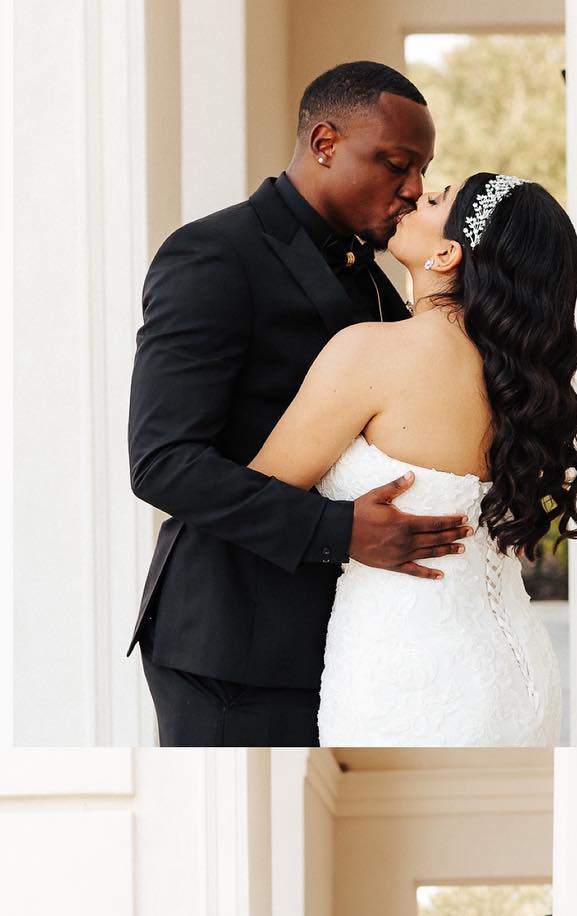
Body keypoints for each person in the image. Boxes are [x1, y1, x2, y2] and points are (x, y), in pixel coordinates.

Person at [127, 62, 473, 747]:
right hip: (229, 648)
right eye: (396, 164)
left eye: (422, 169)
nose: (412, 189)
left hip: (337, 644)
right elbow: (162, 464)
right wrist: (338, 530)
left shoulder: (374, 278)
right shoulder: (213, 255)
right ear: (324, 143)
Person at [250, 168, 577, 746]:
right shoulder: (523, 384)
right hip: (519, 677)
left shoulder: (372, 351)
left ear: (448, 254)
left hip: (407, 675)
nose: (413, 197)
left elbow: (257, 493)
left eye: (435, 200)